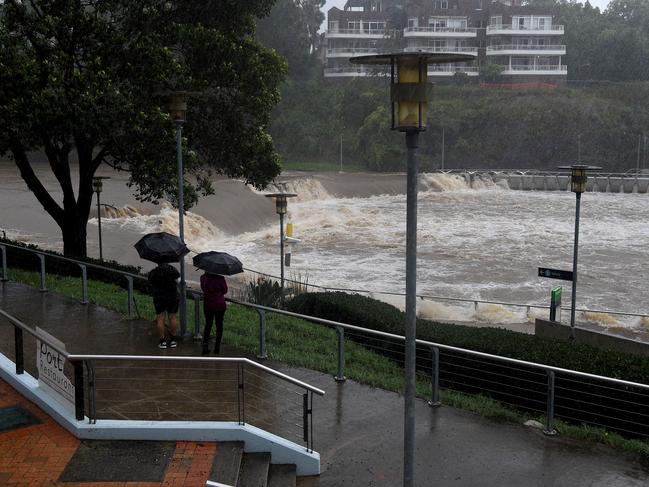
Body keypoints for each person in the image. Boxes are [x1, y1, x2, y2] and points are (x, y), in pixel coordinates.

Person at [148, 262, 180, 349]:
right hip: (172, 297)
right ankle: (173, 340)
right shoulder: (172, 270)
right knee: (173, 317)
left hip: (159, 297)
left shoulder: (154, 272)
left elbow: (150, 282)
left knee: (160, 318)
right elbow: (177, 278)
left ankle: (162, 342)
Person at [200, 272, 228, 355]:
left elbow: (203, 288)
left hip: (208, 304)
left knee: (208, 324)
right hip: (219, 305)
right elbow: (225, 290)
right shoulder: (220, 278)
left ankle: (205, 346)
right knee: (219, 325)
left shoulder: (203, 277)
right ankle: (217, 347)